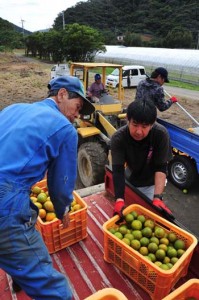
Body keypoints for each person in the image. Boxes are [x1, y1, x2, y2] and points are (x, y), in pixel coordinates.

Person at [0, 75, 94, 299]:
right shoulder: (64, 128)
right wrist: (63, 209)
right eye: (77, 107)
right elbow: (60, 183)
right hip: (5, 205)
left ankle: (20, 279)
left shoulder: (12, 109)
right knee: (50, 284)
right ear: (61, 95)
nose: (77, 115)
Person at [110, 99, 173, 218]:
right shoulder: (119, 138)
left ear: (152, 123)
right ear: (128, 119)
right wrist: (119, 199)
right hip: (130, 178)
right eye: (134, 125)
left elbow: (161, 167)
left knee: (150, 216)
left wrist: (158, 197)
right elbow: (118, 170)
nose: (139, 131)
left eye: (144, 126)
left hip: (151, 182)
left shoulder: (160, 134)